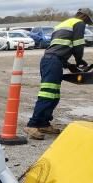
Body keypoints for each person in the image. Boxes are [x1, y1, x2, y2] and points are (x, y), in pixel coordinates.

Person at [24, 8, 93, 140]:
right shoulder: (78, 23)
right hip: (53, 62)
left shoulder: (63, 24)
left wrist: (70, 65)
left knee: (54, 95)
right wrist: (79, 61)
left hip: (52, 60)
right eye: (88, 21)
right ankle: (32, 125)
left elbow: (58, 48)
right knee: (48, 94)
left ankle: (43, 123)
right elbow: (78, 45)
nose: (86, 24)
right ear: (84, 16)